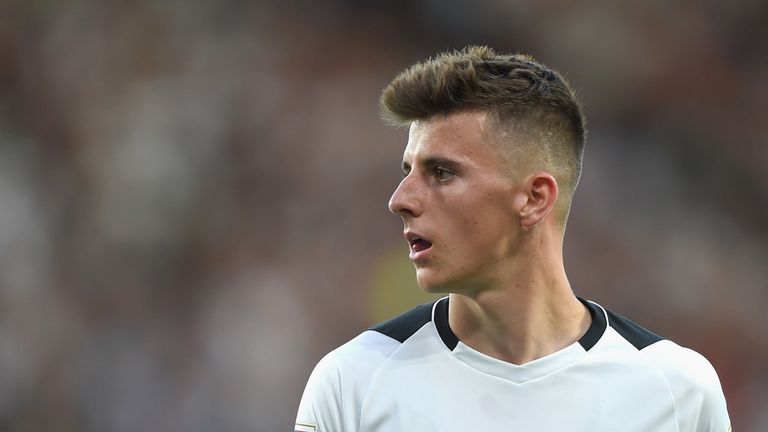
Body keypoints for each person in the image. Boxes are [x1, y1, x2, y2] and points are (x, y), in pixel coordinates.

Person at [295, 46, 731, 432]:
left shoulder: (678, 391)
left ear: (534, 198)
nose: (400, 200)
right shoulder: (352, 383)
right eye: (407, 171)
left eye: (442, 173)